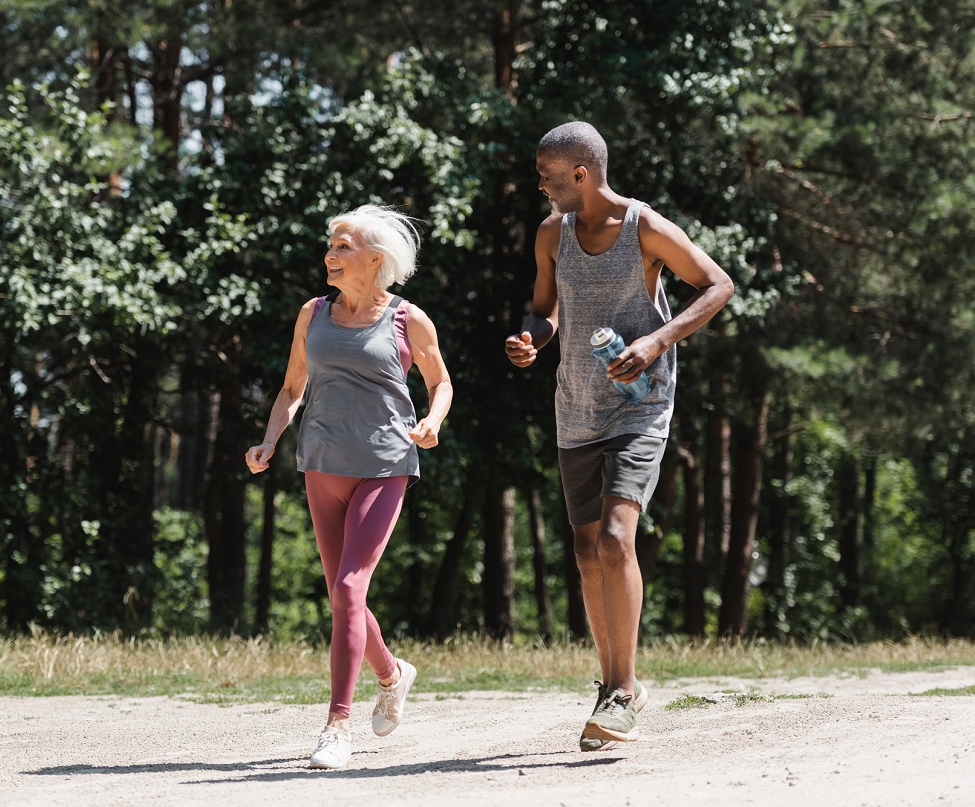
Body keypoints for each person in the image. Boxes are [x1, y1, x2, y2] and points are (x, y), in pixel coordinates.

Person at [504, 122, 733, 750]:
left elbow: (719, 285)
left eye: (548, 174)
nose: (541, 184)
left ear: (580, 173)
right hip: (575, 405)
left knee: (613, 537)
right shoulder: (552, 233)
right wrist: (532, 339)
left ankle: (625, 689)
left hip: (639, 405)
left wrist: (657, 339)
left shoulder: (646, 228)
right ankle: (610, 686)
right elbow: (544, 308)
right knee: (583, 553)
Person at [246, 205, 453, 770]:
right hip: (321, 461)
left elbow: (440, 382)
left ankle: (336, 726)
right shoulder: (313, 313)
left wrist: (432, 422)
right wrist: (269, 440)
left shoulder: (409, 320)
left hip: (385, 463)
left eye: (341, 247)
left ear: (374, 259)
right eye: (330, 246)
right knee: (343, 592)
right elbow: (293, 387)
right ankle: (392, 672)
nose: (329, 256)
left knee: (350, 587)